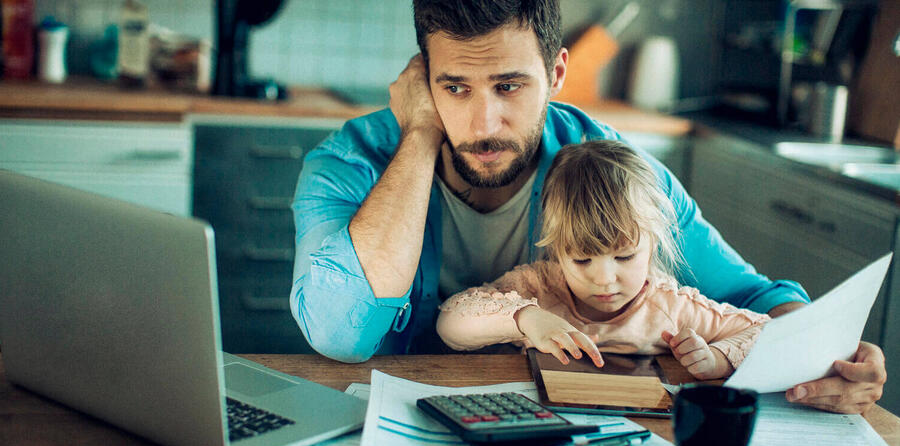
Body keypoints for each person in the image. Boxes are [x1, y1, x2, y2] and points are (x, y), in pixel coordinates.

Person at [290, 0, 885, 413]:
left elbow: (753, 297)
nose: (483, 124)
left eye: (509, 86)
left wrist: (825, 356)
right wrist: (419, 135)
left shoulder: (607, 168)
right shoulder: (351, 163)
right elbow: (342, 334)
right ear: (423, 80)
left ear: (555, 73)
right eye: (455, 87)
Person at [436, 140, 771, 380]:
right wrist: (525, 318)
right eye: (582, 261)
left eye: (624, 256)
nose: (605, 279)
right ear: (557, 249)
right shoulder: (538, 286)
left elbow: (767, 332)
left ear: (653, 244)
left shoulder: (672, 307)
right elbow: (449, 324)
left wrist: (717, 359)